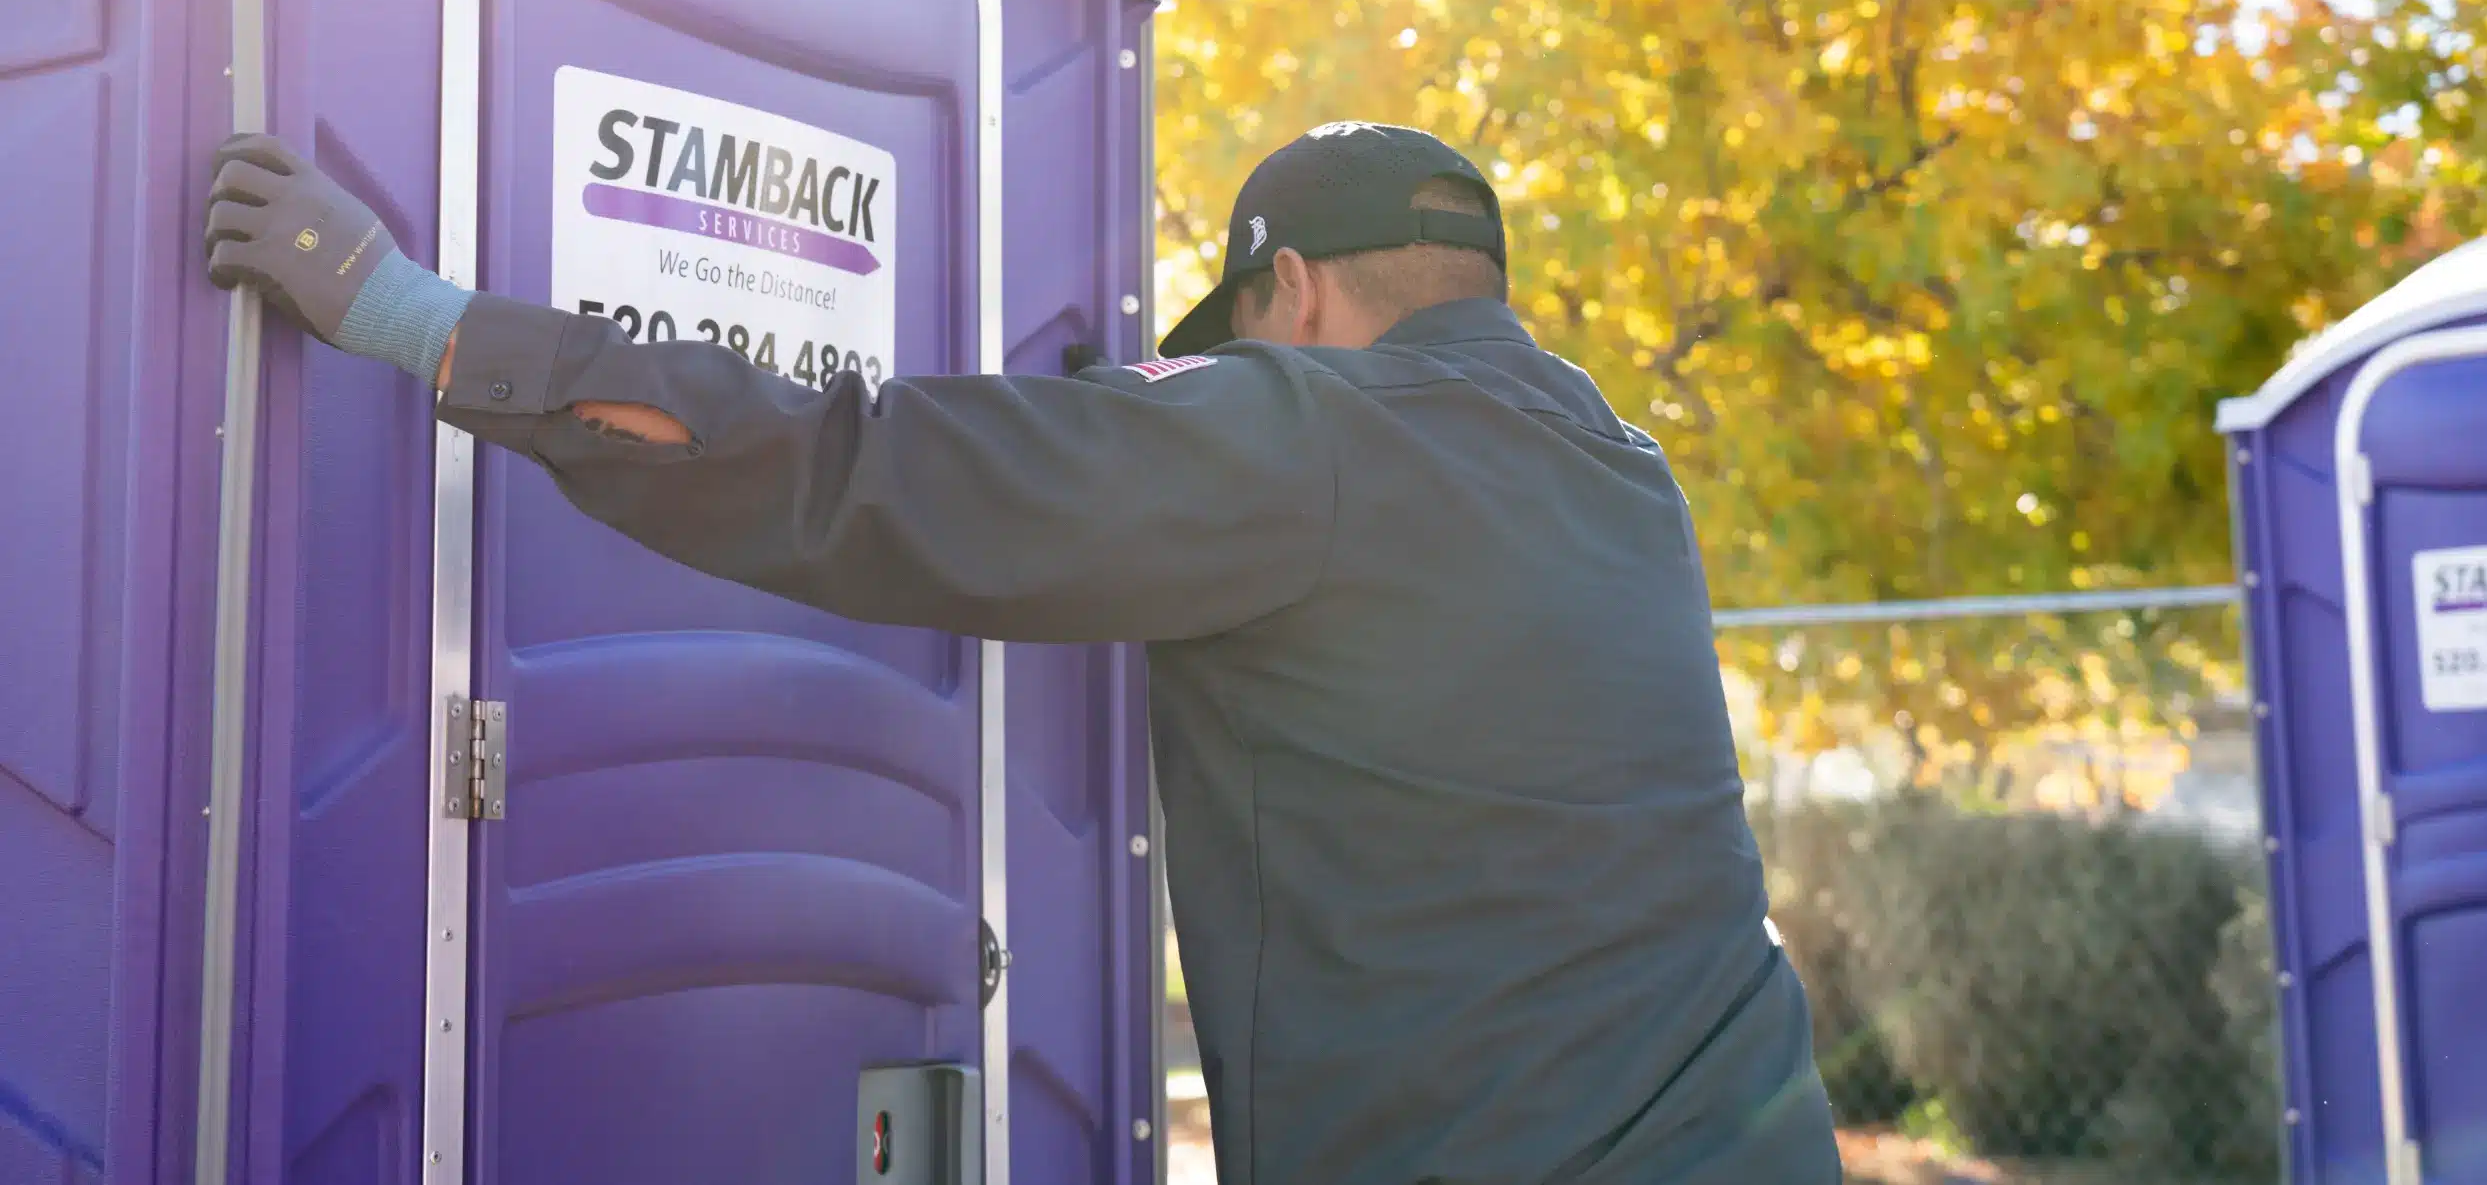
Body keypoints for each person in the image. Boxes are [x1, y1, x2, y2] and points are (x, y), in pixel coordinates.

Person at [205, 117, 1841, 1184]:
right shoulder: (1631, 475)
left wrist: (415, 317)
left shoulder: (1308, 436)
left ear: (1297, 294)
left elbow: (853, 468)